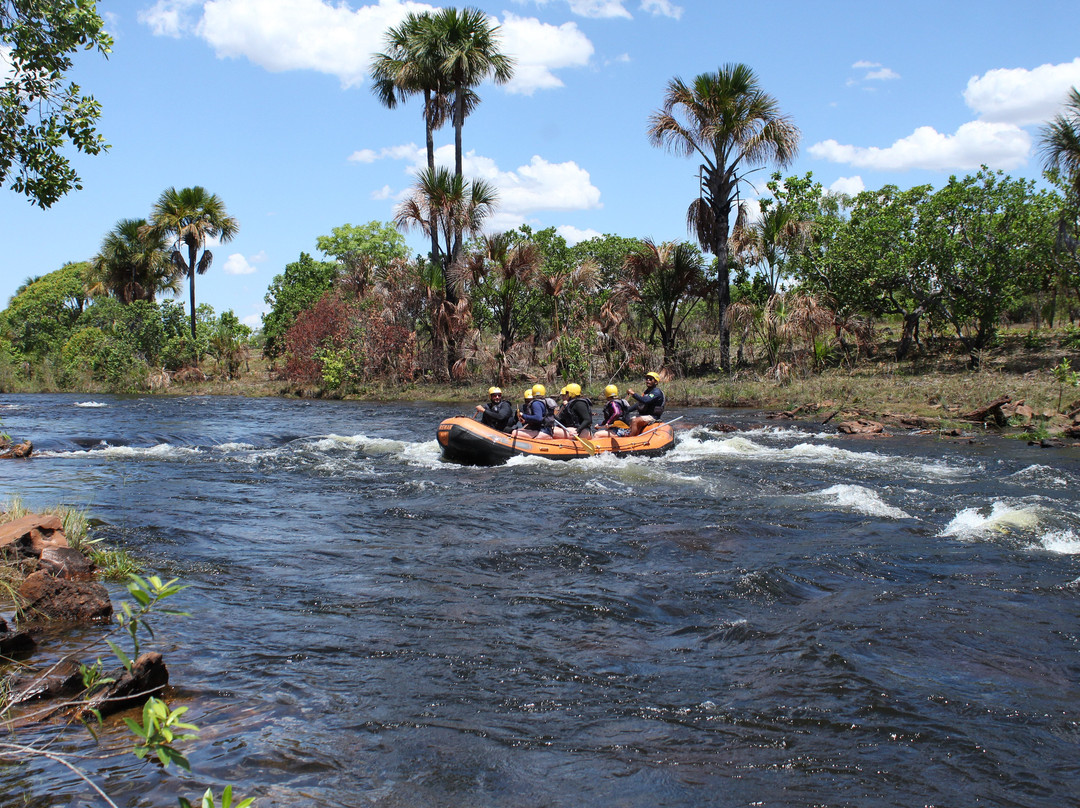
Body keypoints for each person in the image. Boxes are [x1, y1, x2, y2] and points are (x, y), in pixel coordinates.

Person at [626, 371, 666, 436]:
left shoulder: (656, 392)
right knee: (629, 419)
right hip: (645, 416)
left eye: (650, 379)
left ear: (656, 382)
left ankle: (631, 438)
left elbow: (645, 400)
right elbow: (639, 404)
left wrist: (633, 394)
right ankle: (631, 434)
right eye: (647, 379)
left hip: (653, 417)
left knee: (634, 420)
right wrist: (626, 410)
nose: (648, 381)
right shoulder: (647, 392)